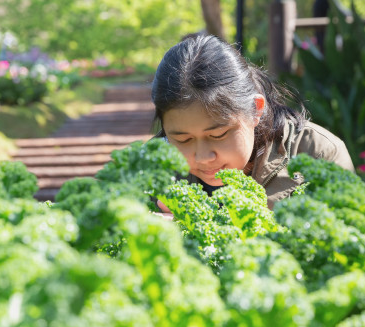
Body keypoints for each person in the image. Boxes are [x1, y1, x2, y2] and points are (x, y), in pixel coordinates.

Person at [151, 34, 354, 214]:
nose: (204, 158)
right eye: (183, 139)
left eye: (218, 135)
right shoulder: (149, 168)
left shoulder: (319, 154)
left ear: (256, 109)